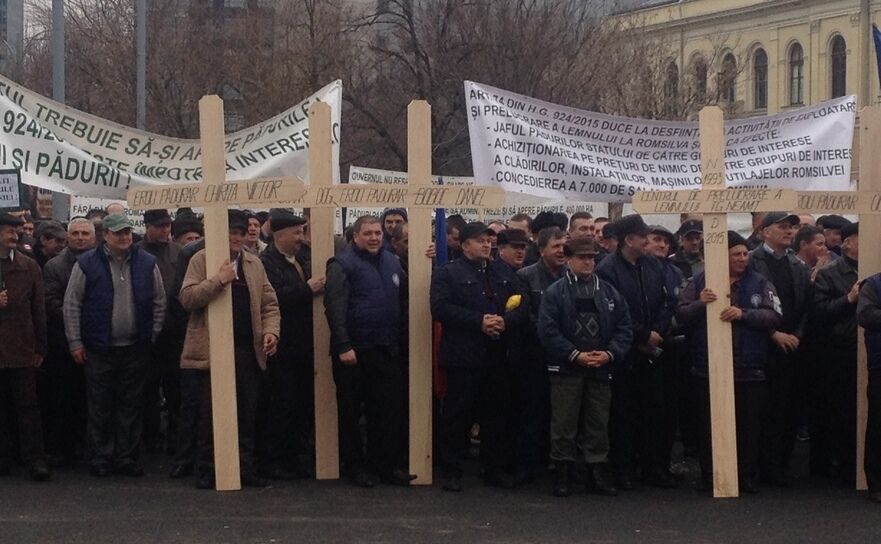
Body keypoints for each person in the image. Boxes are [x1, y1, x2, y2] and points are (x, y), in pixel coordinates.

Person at [179, 209, 280, 489]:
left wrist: (271, 331)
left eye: (239, 232)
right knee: (210, 413)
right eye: (231, 233)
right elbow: (187, 298)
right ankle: (208, 469)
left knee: (247, 413)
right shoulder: (201, 260)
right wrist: (219, 280)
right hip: (212, 351)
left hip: (247, 350)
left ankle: (243, 467)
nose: (236, 238)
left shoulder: (253, 263)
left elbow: (269, 302)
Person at [677, 231, 781, 493]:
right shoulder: (700, 281)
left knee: (749, 427)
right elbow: (680, 314)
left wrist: (744, 314)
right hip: (707, 368)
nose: (742, 259)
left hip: (749, 369)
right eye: (736, 254)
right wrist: (700, 304)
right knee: (708, 426)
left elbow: (775, 316)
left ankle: (745, 476)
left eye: (745, 254)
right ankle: (710, 476)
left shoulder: (760, 282)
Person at [63, 213, 166, 477]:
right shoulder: (86, 264)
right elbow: (72, 304)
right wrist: (75, 341)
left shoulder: (147, 262)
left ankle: (127, 457)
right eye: (118, 233)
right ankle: (101, 457)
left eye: (127, 232)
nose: (124, 237)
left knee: (131, 404)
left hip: (135, 347)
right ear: (105, 236)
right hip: (99, 348)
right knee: (100, 405)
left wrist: (151, 334)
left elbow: (159, 301)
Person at [431, 221, 528, 492]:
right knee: (457, 415)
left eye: (489, 240)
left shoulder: (503, 272)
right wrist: (478, 322)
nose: (487, 244)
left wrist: (505, 322)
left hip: (496, 355)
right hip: (463, 355)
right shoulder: (448, 273)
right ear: (464, 245)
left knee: (495, 415)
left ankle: (492, 468)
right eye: (480, 240)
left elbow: (523, 303)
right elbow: (439, 308)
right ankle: (452, 469)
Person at [324, 215, 413, 488]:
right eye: (368, 233)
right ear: (355, 236)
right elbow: (335, 308)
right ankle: (356, 467)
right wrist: (343, 345)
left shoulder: (392, 261)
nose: (374, 237)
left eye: (377, 233)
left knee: (386, 412)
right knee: (351, 414)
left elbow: (405, 296)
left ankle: (384, 466)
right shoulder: (341, 264)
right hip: (354, 352)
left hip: (386, 349)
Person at [538, 237, 632, 497]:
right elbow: (547, 330)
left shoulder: (609, 292)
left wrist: (610, 354)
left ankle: (595, 472)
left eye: (591, 257)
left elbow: (625, 327)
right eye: (582, 258)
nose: (588, 262)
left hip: (601, 367)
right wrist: (573, 354)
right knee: (563, 424)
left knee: (597, 423)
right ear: (569, 260)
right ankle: (563, 474)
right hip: (566, 368)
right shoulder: (556, 292)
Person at [596, 214, 675, 489]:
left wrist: (657, 332)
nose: (648, 241)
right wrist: (642, 335)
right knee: (623, 414)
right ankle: (623, 469)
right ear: (629, 240)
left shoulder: (653, 265)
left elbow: (667, 301)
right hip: (625, 353)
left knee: (654, 411)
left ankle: (653, 467)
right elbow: (615, 310)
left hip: (652, 350)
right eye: (643, 236)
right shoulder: (607, 269)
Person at [260, 210, 325, 479]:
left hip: (304, 346)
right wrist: (306, 289)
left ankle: (297, 457)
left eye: (302, 231)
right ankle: (274, 460)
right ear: (280, 235)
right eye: (296, 232)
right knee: (280, 406)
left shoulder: (305, 257)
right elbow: (273, 298)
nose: (301, 237)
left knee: (302, 405)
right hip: (281, 346)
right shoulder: (266, 262)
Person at [748, 212, 811, 487]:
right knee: (761, 409)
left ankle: (779, 466)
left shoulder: (796, 265)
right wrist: (773, 334)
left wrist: (797, 334)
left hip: (792, 345)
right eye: (782, 227)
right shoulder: (751, 261)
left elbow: (808, 305)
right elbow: (748, 302)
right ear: (764, 232)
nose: (789, 232)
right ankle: (758, 465)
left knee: (786, 407)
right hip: (762, 345)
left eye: (791, 227)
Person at [514, 227, 568, 485]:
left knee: (561, 414)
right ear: (542, 248)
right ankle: (527, 466)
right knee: (532, 412)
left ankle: (558, 465)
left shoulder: (573, 275)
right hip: (534, 356)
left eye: (564, 246)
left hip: (567, 356)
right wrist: (552, 337)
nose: (561, 251)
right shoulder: (525, 276)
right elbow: (526, 315)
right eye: (556, 246)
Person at [40, 218, 96, 466]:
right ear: (68, 237)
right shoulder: (54, 266)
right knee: (64, 398)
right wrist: (77, 319)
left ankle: (87, 446)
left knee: (91, 398)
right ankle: (63, 448)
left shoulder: (102, 263)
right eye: (76, 233)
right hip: (63, 345)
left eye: (85, 233)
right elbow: (51, 302)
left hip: (97, 341)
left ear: (94, 238)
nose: (81, 237)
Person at [0, 212, 51, 481]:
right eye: (8, 229)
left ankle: (35, 458)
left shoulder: (28, 266)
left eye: (16, 229)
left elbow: (38, 310)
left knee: (28, 406)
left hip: (21, 346)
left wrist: (40, 348)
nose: (15, 234)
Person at [812, 221, 860, 483]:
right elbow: (819, 313)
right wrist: (848, 300)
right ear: (847, 242)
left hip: (870, 349)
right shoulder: (830, 274)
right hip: (840, 351)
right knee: (841, 410)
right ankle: (843, 465)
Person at [137, 209, 182, 454]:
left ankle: (176, 436)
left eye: (167, 225)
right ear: (147, 227)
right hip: (148, 331)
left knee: (176, 389)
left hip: (174, 331)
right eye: (160, 226)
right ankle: (151, 436)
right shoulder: (138, 253)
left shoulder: (178, 252)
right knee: (148, 389)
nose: (165, 230)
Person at [856, 269, 881, 503]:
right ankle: (876, 483)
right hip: (880, 364)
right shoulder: (873, 284)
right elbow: (865, 315)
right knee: (878, 424)